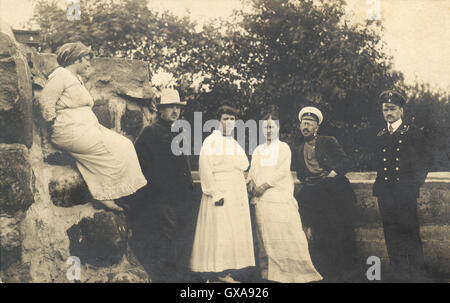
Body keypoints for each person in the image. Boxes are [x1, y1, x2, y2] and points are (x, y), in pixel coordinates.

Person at [38, 41, 147, 212]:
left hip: (85, 128)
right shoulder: (60, 75)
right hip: (70, 130)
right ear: (76, 59)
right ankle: (104, 195)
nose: (89, 63)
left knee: (125, 145)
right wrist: (52, 126)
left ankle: (114, 193)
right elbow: (45, 102)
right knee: (109, 150)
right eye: (86, 59)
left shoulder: (76, 78)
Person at [130, 88, 198, 282]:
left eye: (177, 107)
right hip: (160, 198)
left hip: (181, 197)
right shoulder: (150, 132)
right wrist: (154, 189)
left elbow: (184, 164)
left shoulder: (179, 131)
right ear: (160, 110)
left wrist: (189, 187)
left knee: (179, 240)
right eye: (169, 107)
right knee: (163, 240)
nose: (174, 111)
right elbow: (138, 163)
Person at [247, 112, 322, 283]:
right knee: (266, 236)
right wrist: (251, 182)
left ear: (278, 128)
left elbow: (281, 172)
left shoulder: (283, 148)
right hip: (261, 201)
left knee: (287, 235)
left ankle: (297, 273)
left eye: (271, 127)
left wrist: (264, 186)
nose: (268, 130)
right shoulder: (258, 150)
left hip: (278, 197)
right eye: (265, 127)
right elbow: (252, 170)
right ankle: (270, 273)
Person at [292, 106, 358, 282]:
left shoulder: (328, 141)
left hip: (334, 194)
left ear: (316, 127)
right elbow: (300, 174)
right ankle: (324, 273)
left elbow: (346, 162)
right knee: (316, 235)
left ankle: (343, 273)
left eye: (309, 123)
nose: (305, 127)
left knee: (337, 233)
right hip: (313, 194)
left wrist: (331, 175)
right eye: (303, 123)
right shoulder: (298, 147)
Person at [190, 105, 255, 283]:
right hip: (220, 191)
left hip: (236, 192)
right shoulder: (211, 141)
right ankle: (215, 273)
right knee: (219, 231)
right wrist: (214, 193)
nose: (229, 122)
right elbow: (205, 169)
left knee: (230, 233)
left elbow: (242, 166)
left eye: (232, 119)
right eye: (225, 119)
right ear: (218, 121)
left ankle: (225, 272)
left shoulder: (234, 143)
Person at [372, 90, 430, 282]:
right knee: (391, 233)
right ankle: (397, 272)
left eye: (392, 109)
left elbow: (423, 161)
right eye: (385, 109)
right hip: (386, 194)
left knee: (410, 232)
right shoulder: (380, 135)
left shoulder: (411, 132)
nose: (388, 113)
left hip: (405, 193)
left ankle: (417, 273)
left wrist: (413, 185)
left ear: (401, 110)